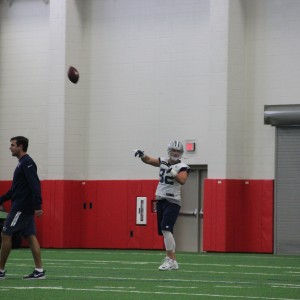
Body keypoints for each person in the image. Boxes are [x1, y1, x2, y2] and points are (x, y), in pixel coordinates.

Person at [134, 140, 190, 270]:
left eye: (178, 151)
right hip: (161, 200)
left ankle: (170, 259)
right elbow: (149, 160)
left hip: (173, 201)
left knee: (166, 229)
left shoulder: (183, 166)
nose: (175, 153)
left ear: (181, 153)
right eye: (173, 150)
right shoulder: (163, 161)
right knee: (165, 231)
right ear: (169, 151)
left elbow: (182, 180)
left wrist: (172, 171)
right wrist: (142, 155)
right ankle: (173, 260)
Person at [0, 136, 45, 280]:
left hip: (21, 207)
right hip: (22, 206)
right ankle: (39, 271)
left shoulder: (27, 163)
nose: (10, 148)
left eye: (12, 145)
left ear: (20, 147)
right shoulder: (21, 164)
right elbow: (14, 190)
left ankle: (0, 271)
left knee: (6, 234)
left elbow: (35, 185)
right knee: (30, 236)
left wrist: (38, 205)